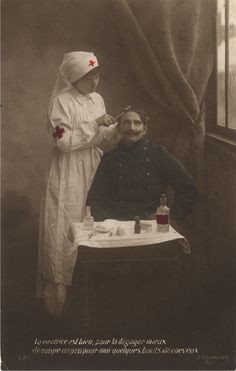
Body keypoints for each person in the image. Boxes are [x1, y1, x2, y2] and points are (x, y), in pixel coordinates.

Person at [37, 51, 119, 317]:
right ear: (74, 79)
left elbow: (102, 140)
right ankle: (58, 307)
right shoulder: (61, 102)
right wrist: (95, 124)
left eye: (96, 75)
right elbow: (62, 141)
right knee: (65, 227)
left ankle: (89, 301)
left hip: (94, 166)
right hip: (68, 172)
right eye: (87, 78)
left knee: (94, 225)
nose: (94, 82)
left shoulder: (98, 99)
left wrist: (114, 130)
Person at [87, 107, 198, 224]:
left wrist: (172, 217)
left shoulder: (158, 154)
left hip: (152, 224)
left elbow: (188, 188)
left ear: (144, 129)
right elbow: (96, 197)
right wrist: (106, 222)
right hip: (117, 225)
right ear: (119, 128)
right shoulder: (109, 159)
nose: (132, 128)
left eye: (137, 123)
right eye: (126, 123)